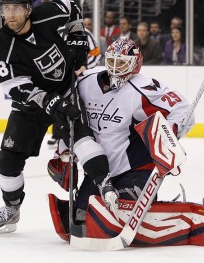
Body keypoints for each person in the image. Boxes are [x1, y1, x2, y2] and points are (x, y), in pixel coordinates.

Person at [0, 0, 118, 235]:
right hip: (30, 106)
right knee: (7, 161)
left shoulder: (48, 13)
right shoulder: (1, 45)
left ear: (28, 9)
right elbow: (17, 88)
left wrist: (77, 36)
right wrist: (50, 102)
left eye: (16, 8)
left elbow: (72, 7)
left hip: (66, 90)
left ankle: (105, 185)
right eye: (6, 8)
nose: (10, 15)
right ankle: (11, 210)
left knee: (82, 140)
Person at [48, 37, 195, 226]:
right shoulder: (85, 83)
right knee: (79, 219)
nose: (115, 69)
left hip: (135, 169)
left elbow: (183, 110)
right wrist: (62, 153)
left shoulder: (144, 89)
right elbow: (70, 122)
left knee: (122, 216)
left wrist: (167, 136)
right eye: (112, 62)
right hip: (98, 171)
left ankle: (150, 204)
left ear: (136, 63)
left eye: (123, 63)